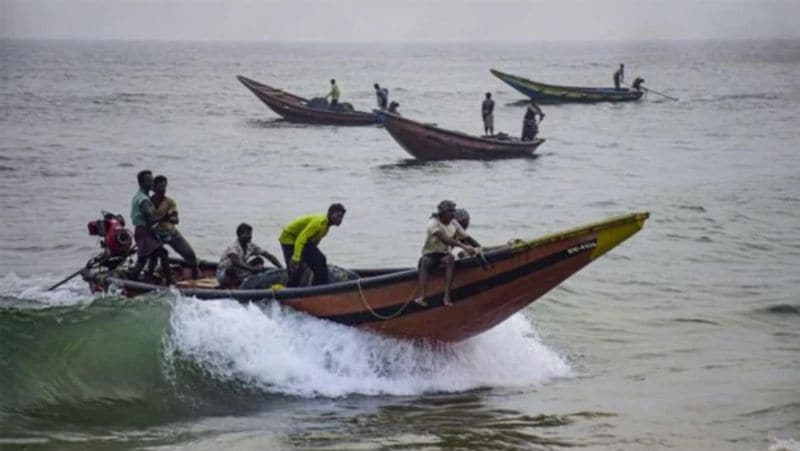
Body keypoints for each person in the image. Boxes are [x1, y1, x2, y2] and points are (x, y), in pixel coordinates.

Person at [415, 200, 477, 308]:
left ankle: (446, 296)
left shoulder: (453, 222)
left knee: (450, 259)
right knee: (424, 262)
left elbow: (466, 238)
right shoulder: (433, 223)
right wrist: (463, 247)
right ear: (443, 213)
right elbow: (445, 239)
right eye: (450, 212)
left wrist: (477, 249)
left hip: (444, 254)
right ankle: (423, 297)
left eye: (454, 212)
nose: (453, 215)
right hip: (431, 255)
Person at [278, 203, 346, 287]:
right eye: (338, 216)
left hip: (303, 241)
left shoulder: (326, 227)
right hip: (289, 238)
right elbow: (301, 238)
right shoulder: (319, 223)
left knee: (320, 260)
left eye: (342, 217)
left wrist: (310, 259)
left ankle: (320, 287)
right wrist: (296, 258)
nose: (340, 219)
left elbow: (314, 244)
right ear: (330, 214)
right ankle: (290, 291)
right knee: (297, 268)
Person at [148, 175, 200, 280]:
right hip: (155, 234)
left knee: (189, 253)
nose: (163, 189)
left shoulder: (170, 202)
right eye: (160, 186)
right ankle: (151, 277)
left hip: (170, 232)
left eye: (164, 186)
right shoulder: (148, 202)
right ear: (154, 187)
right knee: (154, 257)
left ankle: (195, 277)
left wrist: (167, 218)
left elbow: (176, 220)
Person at [127, 170, 172, 284]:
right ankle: (131, 282)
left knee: (153, 256)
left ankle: (147, 279)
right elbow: (150, 219)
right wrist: (164, 216)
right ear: (142, 183)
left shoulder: (139, 196)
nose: (152, 183)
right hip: (144, 232)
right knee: (148, 258)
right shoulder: (144, 200)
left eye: (152, 180)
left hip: (143, 231)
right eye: (149, 181)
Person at [217, 223, 282, 288]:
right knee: (231, 267)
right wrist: (252, 269)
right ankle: (233, 285)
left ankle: (245, 279)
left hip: (239, 271)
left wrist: (280, 267)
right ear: (240, 235)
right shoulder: (233, 247)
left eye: (251, 234)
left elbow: (267, 255)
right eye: (247, 234)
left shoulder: (251, 245)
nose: (250, 236)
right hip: (224, 275)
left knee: (259, 260)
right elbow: (236, 262)